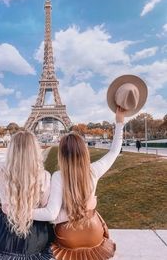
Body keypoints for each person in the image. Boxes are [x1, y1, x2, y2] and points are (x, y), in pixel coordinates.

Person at [32, 107, 125, 260]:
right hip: (93, 233)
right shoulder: (94, 170)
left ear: (61, 154)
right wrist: (119, 122)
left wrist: (23, 212)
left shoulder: (58, 176)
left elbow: (52, 216)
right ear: (84, 151)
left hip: (68, 236)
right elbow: (114, 151)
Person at [0, 104, 55, 260]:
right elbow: (45, 207)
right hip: (35, 238)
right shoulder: (44, 176)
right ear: (35, 151)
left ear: (11, 150)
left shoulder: (0, 171)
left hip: (5, 235)